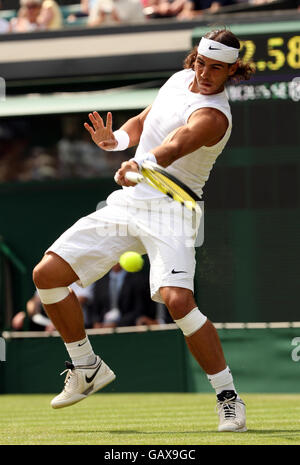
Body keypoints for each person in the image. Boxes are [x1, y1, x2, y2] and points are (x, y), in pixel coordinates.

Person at [32, 28, 255, 432]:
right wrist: (116, 141)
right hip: (131, 201)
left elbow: (176, 145)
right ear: (195, 59)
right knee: (47, 275)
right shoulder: (177, 80)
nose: (205, 73)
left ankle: (228, 397)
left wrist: (139, 165)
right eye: (202, 63)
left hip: (174, 207)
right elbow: (143, 121)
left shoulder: (214, 115)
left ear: (232, 71)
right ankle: (86, 367)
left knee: (178, 301)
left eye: (217, 69)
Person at [90, 263, 158, 328]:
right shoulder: (100, 281)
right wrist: (97, 322)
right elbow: (95, 308)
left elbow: (139, 309)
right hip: (103, 329)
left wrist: (117, 324)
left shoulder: (138, 280)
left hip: (129, 329)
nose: (115, 262)